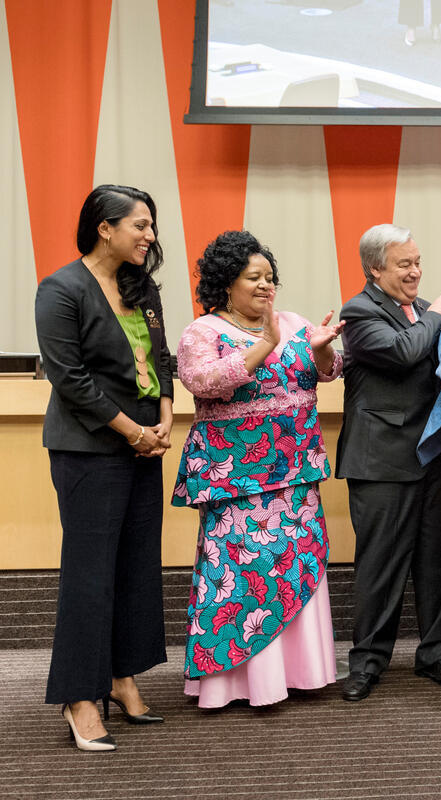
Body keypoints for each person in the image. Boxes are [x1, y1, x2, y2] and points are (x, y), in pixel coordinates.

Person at [172, 230, 344, 708]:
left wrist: (322, 348)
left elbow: (327, 371)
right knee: (243, 574)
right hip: (235, 478)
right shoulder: (203, 332)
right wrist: (265, 343)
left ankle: (302, 674)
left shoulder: (294, 322)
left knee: (296, 567)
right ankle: (238, 684)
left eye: (270, 277)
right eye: (254, 277)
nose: (267, 285)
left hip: (296, 472)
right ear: (227, 283)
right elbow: (202, 381)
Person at [35, 184, 173, 752]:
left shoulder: (143, 287)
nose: (150, 235)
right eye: (140, 225)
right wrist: (132, 430)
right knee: (90, 573)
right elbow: (69, 379)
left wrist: (164, 418)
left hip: (144, 443)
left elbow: (161, 359)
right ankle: (79, 696)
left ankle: (120, 677)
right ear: (104, 228)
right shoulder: (61, 288)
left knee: (136, 565)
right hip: (89, 449)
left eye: (151, 225)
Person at [336, 224, 441, 701]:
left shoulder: (425, 309)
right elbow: (404, 351)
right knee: (380, 568)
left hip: (430, 458)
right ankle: (367, 663)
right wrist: (435, 316)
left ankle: (436, 654)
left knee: (437, 564)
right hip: (380, 462)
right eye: (404, 264)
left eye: (418, 262)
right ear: (375, 269)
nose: (416, 272)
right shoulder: (360, 311)